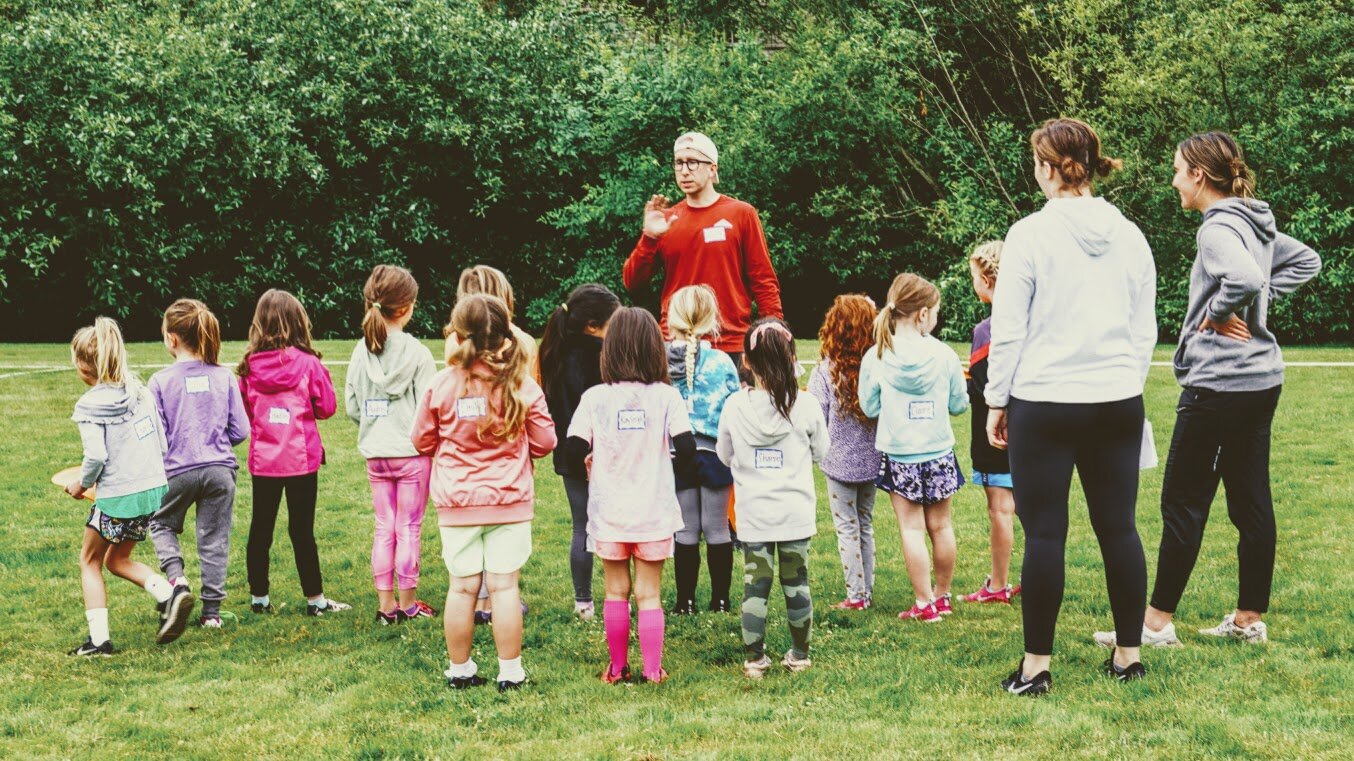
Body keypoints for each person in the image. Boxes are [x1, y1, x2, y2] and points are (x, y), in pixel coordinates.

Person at [1095, 131, 1321, 649]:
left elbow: (1244, 279)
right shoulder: (1255, 221)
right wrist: (1257, 304)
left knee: (1182, 500)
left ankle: (1155, 625)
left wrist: (1223, 312)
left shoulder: (1218, 227)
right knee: (1250, 497)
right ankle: (1248, 619)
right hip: (1261, 379)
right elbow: (1306, 260)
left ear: (1199, 175)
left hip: (1220, 383)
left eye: (1178, 171)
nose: (1174, 181)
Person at [985, 117, 1156, 695]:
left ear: (1050, 168)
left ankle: (1036, 667)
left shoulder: (1029, 234)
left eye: (1036, 161)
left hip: (1045, 398)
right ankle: (1129, 657)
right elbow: (1144, 328)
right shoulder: (1130, 234)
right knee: (1120, 528)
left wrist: (996, 399)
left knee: (1046, 535)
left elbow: (1009, 328)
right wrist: (1125, 381)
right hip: (1116, 398)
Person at [414, 294, 556, 692]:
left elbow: (421, 440)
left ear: (458, 334)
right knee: (504, 587)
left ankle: (460, 670)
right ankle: (510, 671)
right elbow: (545, 441)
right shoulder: (521, 384)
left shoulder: (441, 384)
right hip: (509, 501)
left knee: (461, 588)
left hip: (458, 502)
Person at [562, 307, 696, 685]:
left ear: (610, 349)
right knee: (649, 594)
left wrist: (589, 462)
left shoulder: (595, 398)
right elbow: (687, 449)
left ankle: (618, 667)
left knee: (615, 591)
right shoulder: (667, 397)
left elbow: (572, 449)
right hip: (653, 512)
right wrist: (669, 461)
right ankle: (652, 669)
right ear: (655, 349)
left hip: (610, 512)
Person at [67, 317, 193, 655]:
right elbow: (161, 443)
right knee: (118, 559)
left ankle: (99, 642)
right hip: (151, 493)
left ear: (83, 365)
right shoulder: (140, 393)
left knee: (90, 560)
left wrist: (81, 484)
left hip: (117, 497)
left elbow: (96, 456)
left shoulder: (90, 405)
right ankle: (169, 595)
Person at [718, 318, 829, 679]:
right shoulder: (807, 405)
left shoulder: (734, 406)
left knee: (756, 585)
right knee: (797, 584)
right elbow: (821, 452)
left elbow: (724, 454)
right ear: (793, 357)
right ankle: (800, 655)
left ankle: (754, 659)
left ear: (746, 361)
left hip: (754, 513)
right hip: (795, 511)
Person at [622, 131, 783, 369]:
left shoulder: (741, 214)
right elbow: (632, 282)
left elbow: (763, 280)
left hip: (730, 343)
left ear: (712, 168)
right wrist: (649, 238)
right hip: (675, 343)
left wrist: (773, 328)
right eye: (679, 163)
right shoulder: (667, 220)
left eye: (693, 162)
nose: (684, 171)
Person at [860, 275, 968, 624]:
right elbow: (959, 404)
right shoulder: (944, 354)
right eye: (935, 312)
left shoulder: (877, 355)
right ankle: (942, 596)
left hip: (900, 454)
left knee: (911, 529)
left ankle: (924, 603)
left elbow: (869, 406)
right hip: (938, 451)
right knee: (941, 526)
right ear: (922, 314)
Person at [238, 289, 348, 617]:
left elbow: (246, 413)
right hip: (301, 460)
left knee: (260, 529)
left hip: (265, 461)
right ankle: (315, 600)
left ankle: (259, 598)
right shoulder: (309, 364)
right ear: (298, 322)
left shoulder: (248, 367)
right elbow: (327, 407)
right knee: (302, 530)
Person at [148, 299, 250, 629]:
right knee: (214, 539)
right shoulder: (224, 377)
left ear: (172, 338)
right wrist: (214, 443)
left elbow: (156, 436)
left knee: (160, 523)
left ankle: (177, 582)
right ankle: (212, 614)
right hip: (220, 471)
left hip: (176, 471)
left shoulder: (159, 381)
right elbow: (241, 430)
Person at [346, 265, 439, 625]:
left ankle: (386, 606)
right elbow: (429, 410)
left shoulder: (360, 351)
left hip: (376, 454)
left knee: (384, 527)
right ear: (407, 307)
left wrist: (375, 427)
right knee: (408, 527)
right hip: (412, 455)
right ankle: (409, 603)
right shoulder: (418, 353)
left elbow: (353, 406)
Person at [538, 284, 622, 620]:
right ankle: (620, 595)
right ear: (593, 326)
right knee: (617, 526)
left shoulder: (555, 353)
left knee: (581, 527)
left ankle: (583, 601)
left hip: (569, 455)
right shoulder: (604, 357)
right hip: (605, 454)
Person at [664, 285, 741, 615]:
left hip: (676, 454)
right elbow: (734, 407)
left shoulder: (659, 361)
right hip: (715, 454)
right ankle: (721, 601)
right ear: (711, 319)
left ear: (673, 318)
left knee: (686, 529)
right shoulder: (722, 362)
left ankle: (685, 602)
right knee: (717, 527)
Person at [806, 294, 881, 610]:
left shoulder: (824, 372)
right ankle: (867, 591)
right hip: (872, 462)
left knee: (847, 528)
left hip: (837, 464)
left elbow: (815, 418)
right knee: (865, 524)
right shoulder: (876, 369)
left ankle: (856, 596)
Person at [961, 243, 1021, 605]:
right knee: (1030, 506)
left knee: (999, 508)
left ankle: (998, 585)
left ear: (986, 279)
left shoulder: (987, 330)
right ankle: (1037, 574)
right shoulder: (1030, 321)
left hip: (995, 432)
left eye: (973, 277)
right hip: (1031, 426)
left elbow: (984, 388)